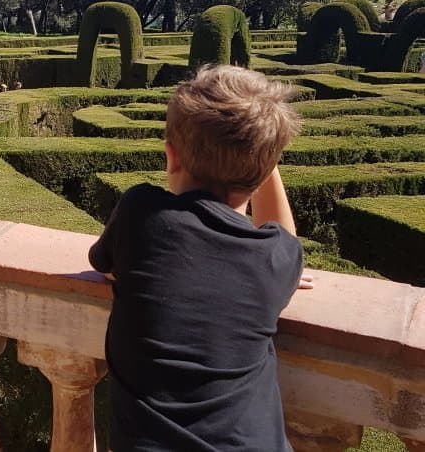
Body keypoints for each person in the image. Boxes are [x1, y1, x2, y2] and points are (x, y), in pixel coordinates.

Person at [88, 65, 310, 450]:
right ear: (263, 174)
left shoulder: (141, 214)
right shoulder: (273, 257)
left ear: (171, 157)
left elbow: (103, 264)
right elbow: (285, 244)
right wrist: (261, 158)